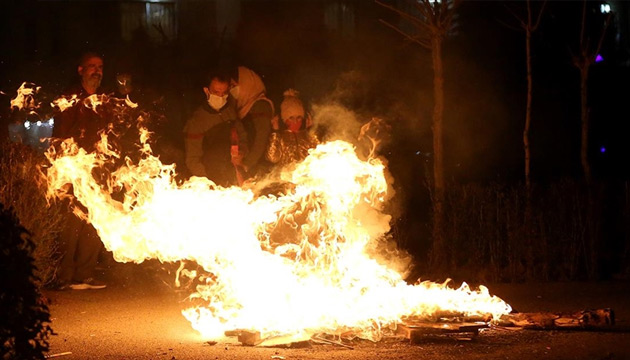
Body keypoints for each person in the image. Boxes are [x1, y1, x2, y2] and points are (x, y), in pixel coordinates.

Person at [52, 52, 109, 290]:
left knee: (95, 221)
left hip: (99, 169)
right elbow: (62, 134)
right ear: (80, 70)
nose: (97, 71)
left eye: (100, 67)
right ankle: (64, 275)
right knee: (71, 223)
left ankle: (84, 274)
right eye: (92, 67)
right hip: (75, 168)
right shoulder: (70, 98)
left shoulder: (106, 100)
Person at [183, 68, 244, 187]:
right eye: (216, 92)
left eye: (224, 93)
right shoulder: (197, 121)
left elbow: (242, 135)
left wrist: (242, 153)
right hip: (212, 179)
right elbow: (193, 159)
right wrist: (208, 183)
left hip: (233, 176)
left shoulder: (230, 112)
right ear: (207, 91)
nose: (221, 96)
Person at [230, 66, 274, 182]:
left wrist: (247, 163)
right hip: (247, 163)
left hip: (258, 167)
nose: (232, 90)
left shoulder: (260, 105)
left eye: (234, 86)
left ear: (246, 85)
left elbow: (261, 138)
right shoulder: (245, 106)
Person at [265, 89, 319, 167]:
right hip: (285, 176)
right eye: (291, 118)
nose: (295, 121)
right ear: (284, 119)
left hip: (306, 176)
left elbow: (318, 153)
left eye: (299, 117)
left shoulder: (306, 135)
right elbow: (273, 158)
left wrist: (310, 131)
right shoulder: (280, 137)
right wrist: (275, 132)